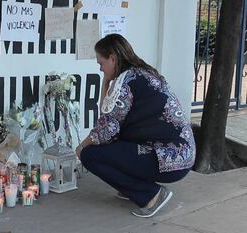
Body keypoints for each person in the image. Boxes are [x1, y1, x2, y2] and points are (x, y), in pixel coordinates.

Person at [76, 34, 196, 218]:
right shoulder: (140, 73)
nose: (100, 68)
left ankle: (150, 195)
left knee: (89, 155)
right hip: (181, 155)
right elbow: (108, 117)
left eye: (101, 62)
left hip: (167, 157)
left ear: (113, 58)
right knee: (113, 145)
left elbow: (107, 128)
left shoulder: (127, 82)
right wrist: (106, 83)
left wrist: (82, 146)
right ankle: (133, 188)